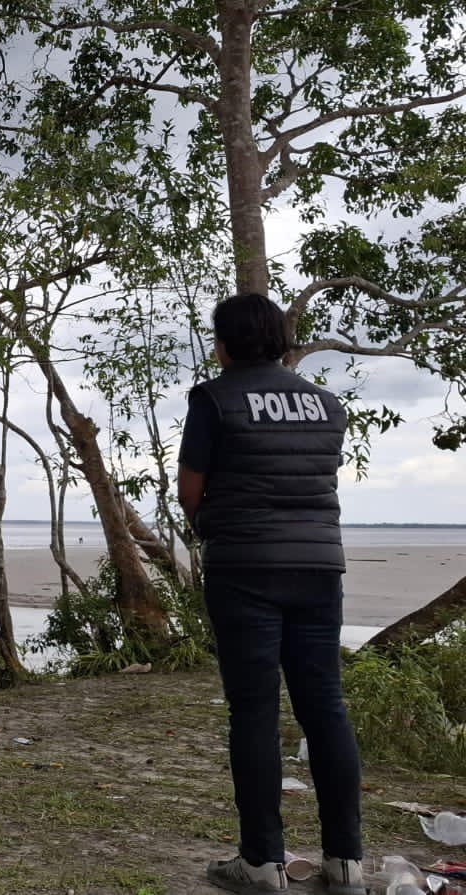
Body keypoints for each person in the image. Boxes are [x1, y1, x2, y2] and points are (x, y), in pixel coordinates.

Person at [178, 293, 364, 895]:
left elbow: (190, 491)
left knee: (255, 712)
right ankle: (346, 863)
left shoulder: (214, 399)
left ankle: (262, 863)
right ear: (282, 340)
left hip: (245, 569)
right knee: (326, 708)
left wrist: (216, 525)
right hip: (318, 567)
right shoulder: (327, 405)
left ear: (225, 343)